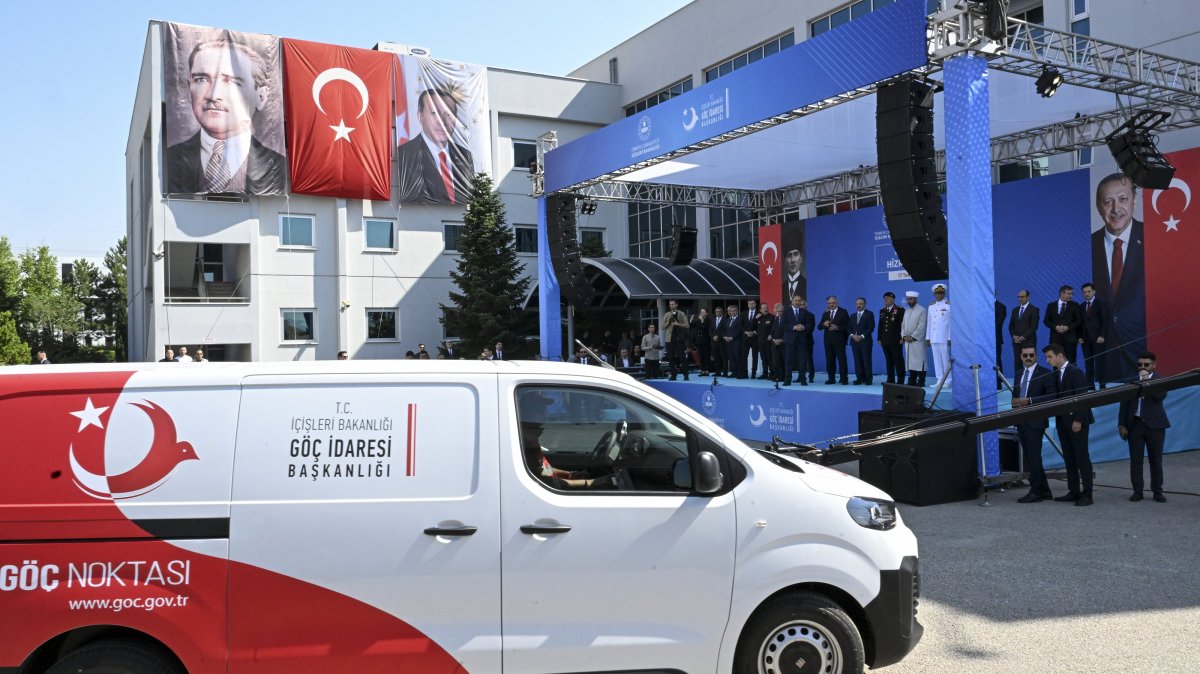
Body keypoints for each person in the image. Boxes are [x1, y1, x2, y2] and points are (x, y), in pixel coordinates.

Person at [166, 37, 284, 194]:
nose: (213, 95)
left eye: (232, 82)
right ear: (189, 89)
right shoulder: (169, 160)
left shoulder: (278, 168)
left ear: (261, 97)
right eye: (201, 79)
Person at [1091, 173, 1147, 381]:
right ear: (1099, 206)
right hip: (1104, 356)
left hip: (1144, 352)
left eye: (1123, 199)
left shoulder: (1154, 238)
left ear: (1134, 200)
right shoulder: (1087, 245)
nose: (1116, 209)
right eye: (1108, 202)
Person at [398, 88, 475, 204]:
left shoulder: (464, 156)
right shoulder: (405, 154)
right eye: (434, 113)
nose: (442, 122)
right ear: (420, 116)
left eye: (449, 114)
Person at [1043, 343, 1096, 506]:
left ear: (1060, 356)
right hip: (1063, 422)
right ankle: (1073, 491)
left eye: (1049, 356)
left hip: (1076, 421)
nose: (1047, 360)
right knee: (1069, 458)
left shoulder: (1076, 372)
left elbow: (1082, 397)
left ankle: (1087, 494)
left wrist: (1078, 419)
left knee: (1081, 457)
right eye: (1046, 357)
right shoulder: (1056, 373)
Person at [1119, 351, 1170, 502]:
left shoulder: (1159, 379)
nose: (1142, 367)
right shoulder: (1132, 380)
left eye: (1146, 365)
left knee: (1156, 459)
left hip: (1155, 425)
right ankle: (1137, 491)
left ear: (1154, 365)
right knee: (1136, 460)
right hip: (1135, 424)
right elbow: (1124, 403)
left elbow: (1160, 396)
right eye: (1139, 364)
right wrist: (1121, 424)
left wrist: (1147, 381)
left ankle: (1157, 491)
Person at [1011, 346, 1057, 503]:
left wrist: (1030, 401)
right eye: (1025, 355)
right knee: (1031, 457)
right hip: (1021, 421)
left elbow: (1052, 397)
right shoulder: (1018, 374)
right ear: (1021, 356)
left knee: (1034, 456)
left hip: (1036, 421)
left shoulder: (1045, 374)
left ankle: (1036, 490)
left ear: (1037, 356)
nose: (1028, 357)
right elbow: (1016, 394)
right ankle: (1044, 490)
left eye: (1031, 355)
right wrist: (1014, 402)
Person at [1079, 282, 1111, 389]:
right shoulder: (1082, 306)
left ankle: (1102, 384)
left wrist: (1102, 335)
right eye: (1084, 292)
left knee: (1100, 362)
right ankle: (1090, 385)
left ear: (1094, 292)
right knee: (1088, 363)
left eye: (1088, 291)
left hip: (1098, 338)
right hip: (1085, 339)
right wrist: (1080, 337)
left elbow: (1105, 321)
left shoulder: (1101, 303)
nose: (1086, 294)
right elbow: (1080, 323)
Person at [1044, 285, 1082, 369]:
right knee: (1055, 361)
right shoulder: (1051, 305)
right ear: (1061, 293)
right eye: (1069, 293)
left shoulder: (1075, 305)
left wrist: (1068, 327)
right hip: (1055, 339)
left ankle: (1071, 381)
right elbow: (1046, 321)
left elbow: (1078, 320)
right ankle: (1056, 381)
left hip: (1070, 339)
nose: (1071, 296)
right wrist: (1055, 327)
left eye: (1072, 294)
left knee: (1071, 362)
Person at [781, 294, 815, 386]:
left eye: (799, 301)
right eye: (796, 300)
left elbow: (810, 325)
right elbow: (783, 325)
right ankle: (787, 380)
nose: (797, 302)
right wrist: (793, 327)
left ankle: (803, 379)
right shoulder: (786, 312)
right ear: (792, 301)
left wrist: (803, 327)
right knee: (789, 360)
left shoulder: (805, 312)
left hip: (801, 340)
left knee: (803, 360)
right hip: (790, 340)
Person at [1008, 289, 1040, 380]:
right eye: (1019, 297)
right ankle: (1018, 384)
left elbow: (1034, 327)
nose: (1020, 299)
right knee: (1017, 364)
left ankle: (1032, 383)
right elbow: (1011, 326)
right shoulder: (1015, 310)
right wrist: (1013, 336)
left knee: (1031, 363)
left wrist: (1023, 337)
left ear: (1028, 297)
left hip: (1029, 342)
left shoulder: (1034, 310)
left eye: (1022, 297)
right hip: (1016, 342)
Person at [819, 295, 849, 385]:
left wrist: (838, 327)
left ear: (837, 303)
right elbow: (819, 327)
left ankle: (844, 379)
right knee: (829, 361)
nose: (831, 304)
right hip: (828, 342)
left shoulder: (843, 312)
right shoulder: (825, 313)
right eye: (829, 303)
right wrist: (824, 324)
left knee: (842, 360)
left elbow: (848, 327)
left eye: (833, 303)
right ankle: (831, 379)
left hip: (840, 341)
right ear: (827, 304)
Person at [900, 291, 927, 387]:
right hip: (907, 341)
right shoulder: (906, 311)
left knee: (920, 361)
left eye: (911, 299)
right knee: (910, 362)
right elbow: (902, 325)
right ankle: (912, 380)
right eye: (908, 299)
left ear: (916, 299)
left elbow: (922, 326)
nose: (909, 301)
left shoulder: (922, 310)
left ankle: (921, 381)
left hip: (917, 341)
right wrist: (904, 336)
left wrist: (913, 337)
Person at [926, 283, 951, 387]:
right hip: (934, 337)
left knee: (945, 359)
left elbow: (951, 323)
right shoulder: (931, 307)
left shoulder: (949, 306)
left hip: (944, 337)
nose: (939, 295)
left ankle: (947, 381)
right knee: (936, 359)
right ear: (934, 294)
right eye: (937, 293)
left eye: (941, 293)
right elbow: (929, 323)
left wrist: (950, 337)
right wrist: (928, 337)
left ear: (944, 293)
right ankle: (939, 380)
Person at [878, 292, 904, 385]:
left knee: (898, 360)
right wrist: (879, 338)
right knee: (888, 361)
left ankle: (900, 380)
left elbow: (902, 325)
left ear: (893, 299)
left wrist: (902, 337)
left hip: (896, 340)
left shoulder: (900, 310)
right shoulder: (882, 310)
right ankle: (890, 380)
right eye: (885, 298)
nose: (886, 300)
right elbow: (880, 325)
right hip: (885, 340)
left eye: (888, 298)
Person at [662, 300, 690, 381]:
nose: (671, 305)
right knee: (670, 357)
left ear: (676, 305)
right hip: (669, 339)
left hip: (679, 338)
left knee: (682, 357)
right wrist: (668, 321)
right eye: (670, 304)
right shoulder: (667, 314)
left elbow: (687, 325)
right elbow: (662, 327)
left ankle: (686, 375)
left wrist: (678, 324)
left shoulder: (681, 313)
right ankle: (673, 375)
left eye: (672, 304)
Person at [849, 297, 875, 385]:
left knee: (866, 360)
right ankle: (859, 378)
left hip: (865, 342)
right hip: (854, 342)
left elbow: (871, 328)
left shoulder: (869, 314)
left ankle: (868, 379)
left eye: (860, 304)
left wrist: (861, 336)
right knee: (857, 361)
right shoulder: (852, 316)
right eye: (857, 304)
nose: (858, 305)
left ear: (864, 304)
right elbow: (849, 328)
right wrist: (852, 336)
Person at [723, 304, 747, 379]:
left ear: (737, 311)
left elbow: (740, 331)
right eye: (731, 311)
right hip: (728, 342)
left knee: (738, 358)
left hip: (737, 342)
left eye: (734, 311)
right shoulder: (728, 319)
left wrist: (732, 337)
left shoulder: (740, 319)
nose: (732, 312)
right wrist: (725, 336)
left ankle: (741, 374)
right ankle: (734, 372)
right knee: (731, 358)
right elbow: (725, 330)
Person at [755, 299, 775, 380]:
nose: (766, 309)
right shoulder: (758, 318)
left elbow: (774, 328)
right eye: (764, 308)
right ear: (760, 310)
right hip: (760, 342)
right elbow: (752, 327)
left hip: (769, 342)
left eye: (766, 307)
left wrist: (771, 335)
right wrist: (755, 319)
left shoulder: (772, 317)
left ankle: (772, 373)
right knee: (763, 359)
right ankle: (765, 373)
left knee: (770, 358)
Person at [742, 300, 762, 379]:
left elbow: (761, 326)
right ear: (747, 305)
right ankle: (745, 373)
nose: (751, 305)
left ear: (755, 304)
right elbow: (741, 325)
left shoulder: (759, 313)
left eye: (752, 303)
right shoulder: (743, 313)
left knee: (755, 356)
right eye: (749, 304)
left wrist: (754, 332)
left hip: (755, 338)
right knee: (744, 356)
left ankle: (754, 373)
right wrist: (746, 332)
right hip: (745, 337)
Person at [689, 309, 711, 377]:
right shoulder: (698, 320)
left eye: (703, 312)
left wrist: (702, 321)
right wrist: (691, 320)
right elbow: (692, 325)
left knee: (706, 356)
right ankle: (702, 370)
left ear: (707, 313)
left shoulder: (709, 320)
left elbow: (706, 328)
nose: (702, 313)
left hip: (706, 340)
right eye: (701, 312)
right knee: (701, 356)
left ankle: (707, 370)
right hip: (699, 340)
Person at [709, 306, 727, 377]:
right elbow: (710, 330)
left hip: (722, 342)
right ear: (715, 312)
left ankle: (725, 372)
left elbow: (725, 330)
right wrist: (713, 336)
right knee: (716, 357)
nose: (718, 313)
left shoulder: (725, 320)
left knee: (724, 357)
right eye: (717, 312)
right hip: (714, 342)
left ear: (722, 312)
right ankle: (718, 372)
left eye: (720, 312)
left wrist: (718, 336)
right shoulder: (713, 320)